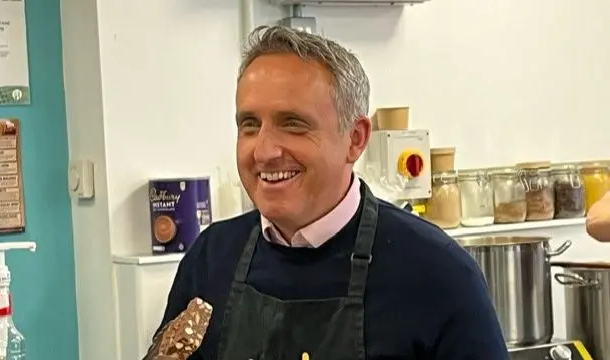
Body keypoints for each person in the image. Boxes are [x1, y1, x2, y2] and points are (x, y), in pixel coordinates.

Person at [155, 25, 508, 359]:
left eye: (293, 124)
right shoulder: (211, 259)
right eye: (250, 125)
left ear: (355, 139)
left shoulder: (437, 272)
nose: (263, 151)